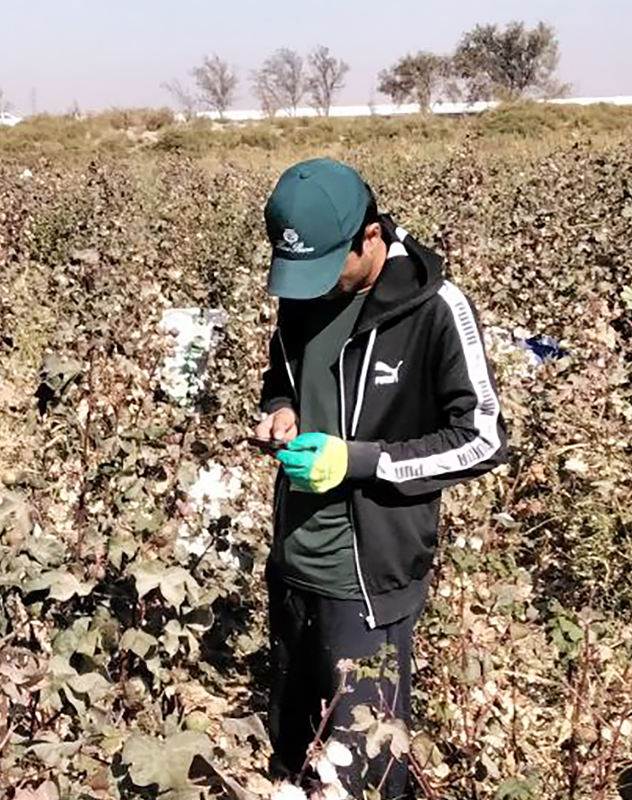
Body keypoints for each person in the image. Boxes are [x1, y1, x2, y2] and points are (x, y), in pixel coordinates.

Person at [254, 158, 508, 793]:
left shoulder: (434, 308)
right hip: (293, 562)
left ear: (370, 237)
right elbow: (282, 380)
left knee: (363, 772)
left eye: (325, 269)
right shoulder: (304, 294)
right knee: (294, 753)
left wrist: (359, 459)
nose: (310, 288)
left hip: (367, 580)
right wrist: (279, 411)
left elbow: (483, 437)